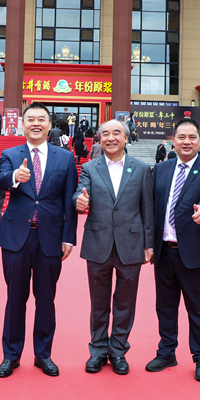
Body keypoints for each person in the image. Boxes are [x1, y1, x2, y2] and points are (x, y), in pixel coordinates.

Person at [0, 102, 78, 378]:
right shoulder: (10, 154)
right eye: (30, 119)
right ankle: (11, 355)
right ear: (23, 124)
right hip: (16, 237)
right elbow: (2, 180)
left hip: (50, 237)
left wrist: (68, 238)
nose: (36, 123)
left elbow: (69, 199)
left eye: (41, 119)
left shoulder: (65, 158)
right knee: (14, 298)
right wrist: (15, 177)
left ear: (49, 125)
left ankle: (43, 354)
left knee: (46, 298)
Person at [73, 120, 153, 375]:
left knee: (125, 302)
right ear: (99, 139)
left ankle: (118, 350)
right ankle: (98, 350)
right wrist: (79, 201)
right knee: (98, 302)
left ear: (126, 138)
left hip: (132, 243)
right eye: (105, 133)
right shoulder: (90, 167)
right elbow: (80, 193)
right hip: (98, 243)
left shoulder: (141, 168)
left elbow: (147, 209)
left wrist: (149, 243)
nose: (110, 138)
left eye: (116, 133)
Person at [148, 117, 200, 382]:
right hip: (163, 250)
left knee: (197, 308)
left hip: (192, 251)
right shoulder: (161, 169)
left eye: (192, 137)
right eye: (182, 137)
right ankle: (167, 351)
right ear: (173, 140)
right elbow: (150, 205)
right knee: (165, 306)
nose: (186, 142)